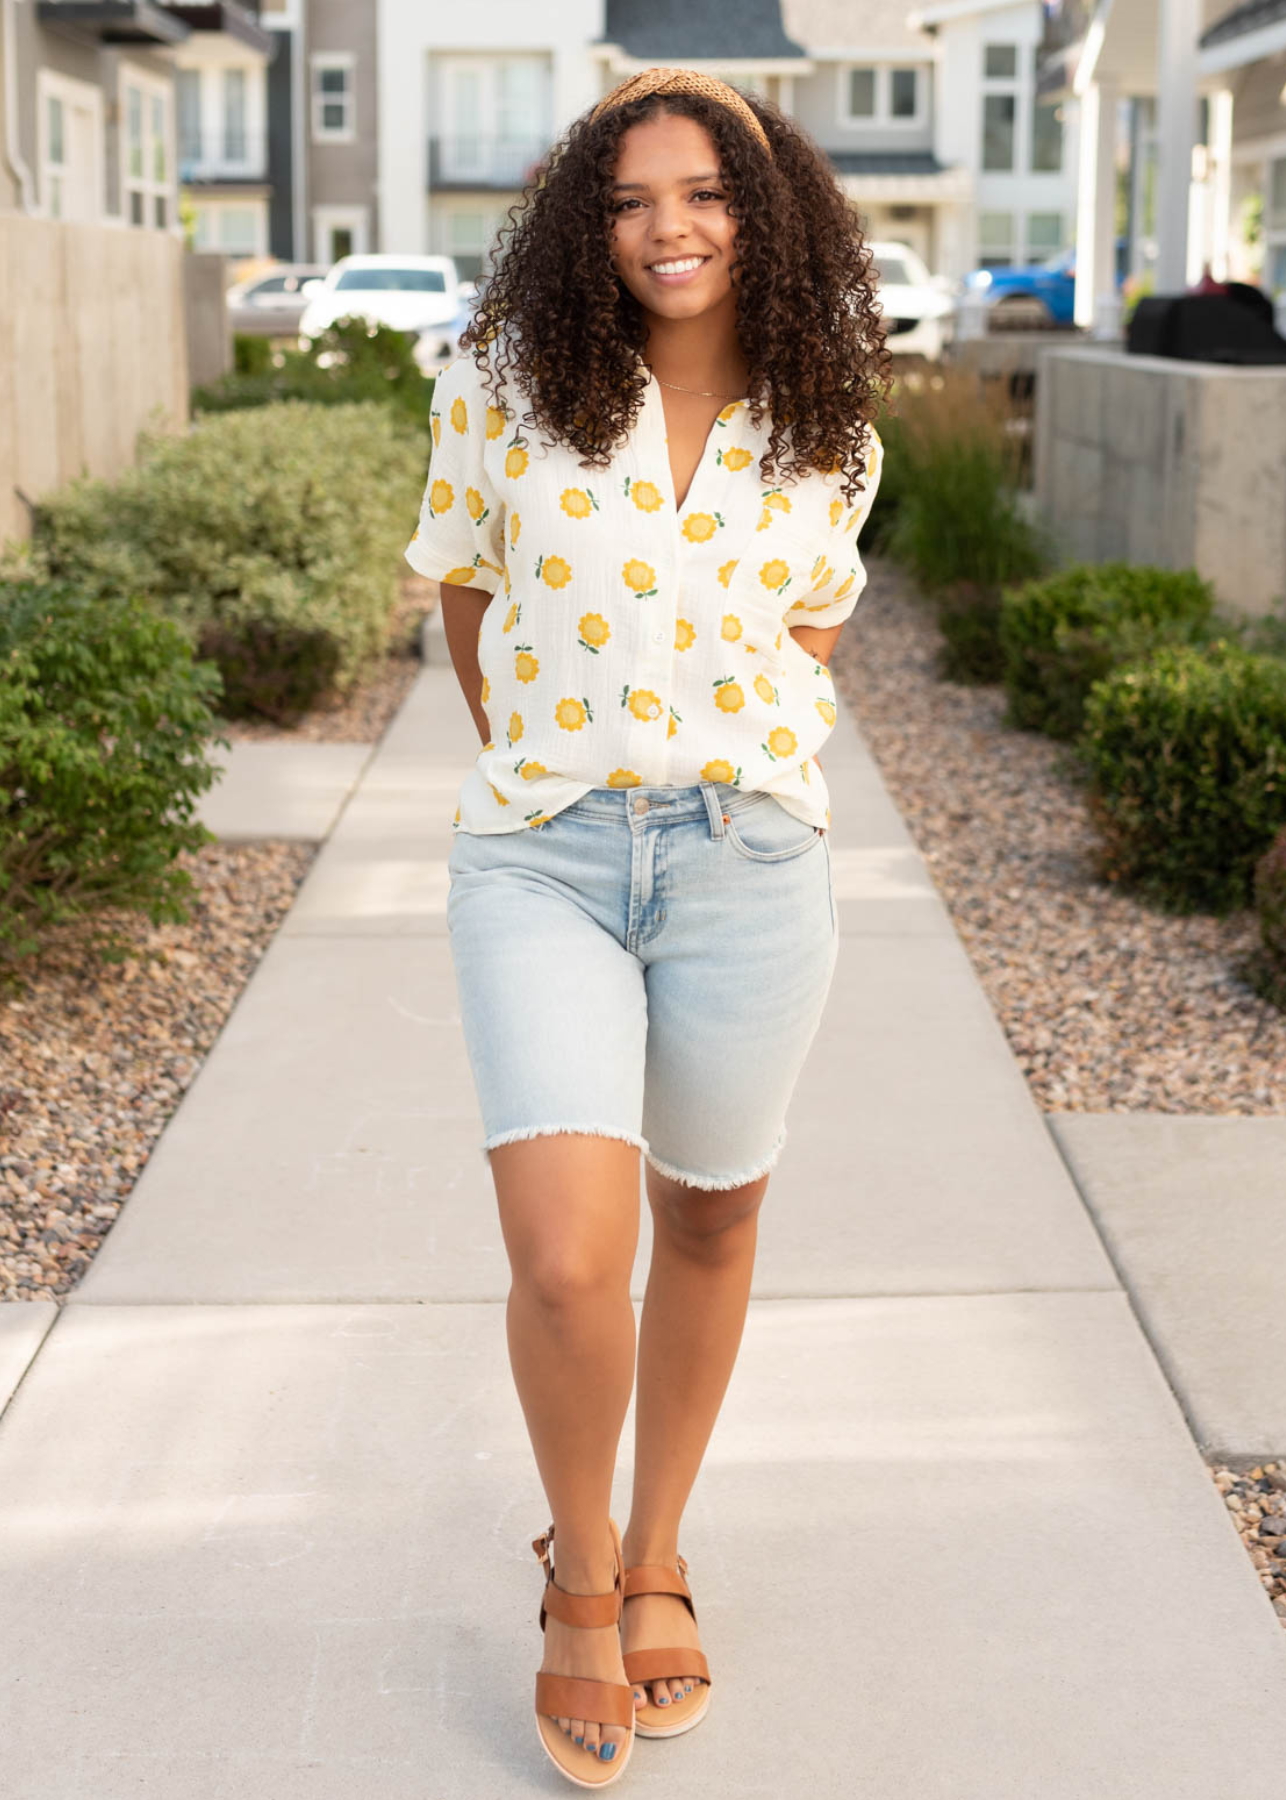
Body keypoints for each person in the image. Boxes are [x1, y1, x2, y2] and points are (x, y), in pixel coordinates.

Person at [405, 65, 892, 1789]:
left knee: (711, 1216)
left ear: (764, 215)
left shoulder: (829, 420)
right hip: (539, 852)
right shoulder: (507, 387)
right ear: (583, 224)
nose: (665, 228)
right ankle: (579, 1572)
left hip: (748, 861)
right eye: (626, 200)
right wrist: (560, 762)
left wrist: (713, 771)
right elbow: (465, 590)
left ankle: (661, 1539)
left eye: (700, 194)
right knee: (564, 1252)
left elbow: (809, 635)